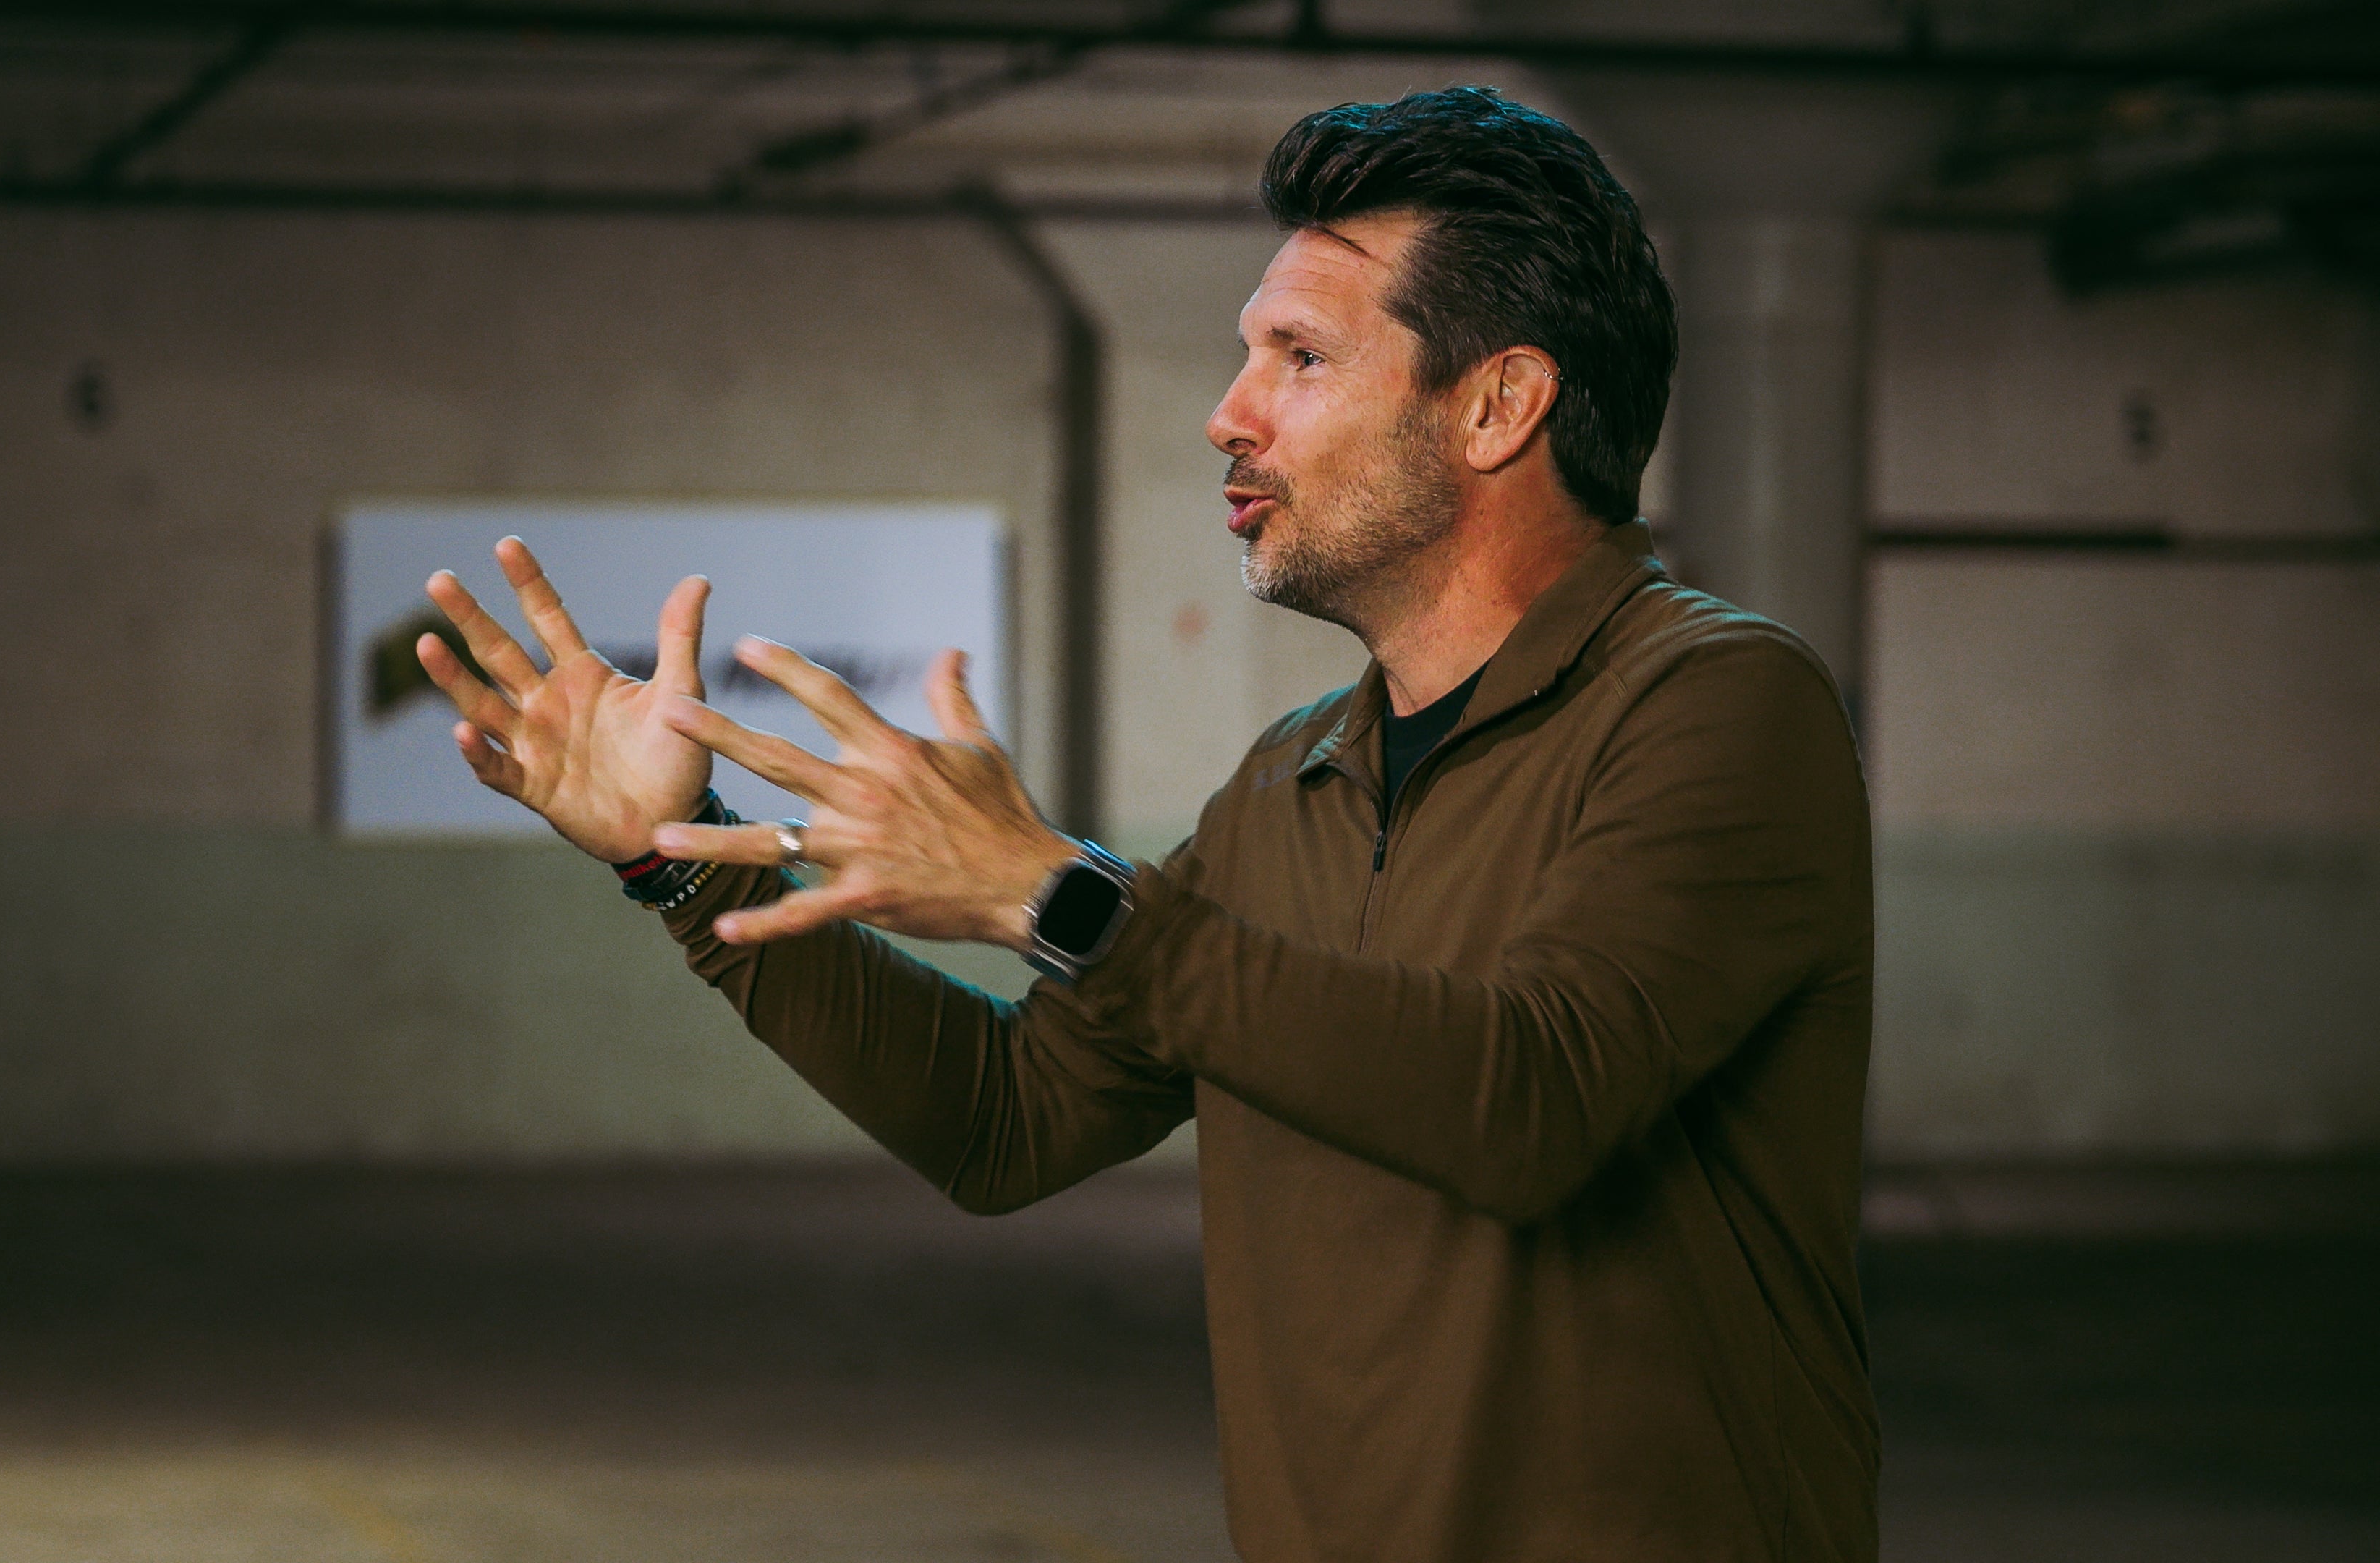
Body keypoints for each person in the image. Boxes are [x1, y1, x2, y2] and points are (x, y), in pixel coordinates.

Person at [416, 85, 1877, 1563]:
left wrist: (1061, 896)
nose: (1229, 414)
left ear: (1499, 406)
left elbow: (1534, 1104)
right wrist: (673, 856)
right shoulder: (1292, 782)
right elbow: (1006, 1119)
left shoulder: (1717, 702)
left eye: (1301, 357)